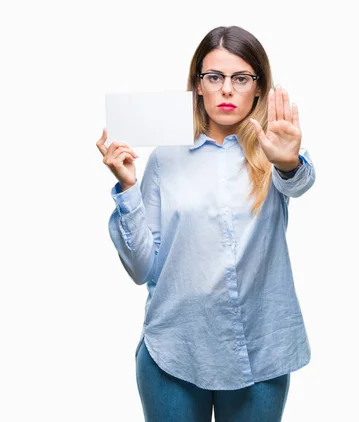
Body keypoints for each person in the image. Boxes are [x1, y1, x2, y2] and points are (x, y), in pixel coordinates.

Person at [95, 25, 315, 422]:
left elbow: (298, 182)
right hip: (176, 351)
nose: (227, 90)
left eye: (241, 78)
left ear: (259, 87)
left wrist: (287, 162)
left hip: (260, 352)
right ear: (198, 85)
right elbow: (141, 267)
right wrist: (127, 187)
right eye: (214, 77)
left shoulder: (275, 150)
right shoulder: (166, 158)